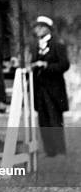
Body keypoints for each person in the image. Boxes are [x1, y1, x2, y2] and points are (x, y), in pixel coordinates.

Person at [30, 16, 70, 158]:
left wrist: (46, 65)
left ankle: (60, 150)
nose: (37, 29)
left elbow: (64, 64)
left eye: (40, 26)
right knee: (43, 120)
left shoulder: (57, 44)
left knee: (55, 120)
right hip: (40, 88)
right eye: (36, 27)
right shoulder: (35, 46)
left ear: (47, 28)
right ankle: (49, 150)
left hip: (54, 88)